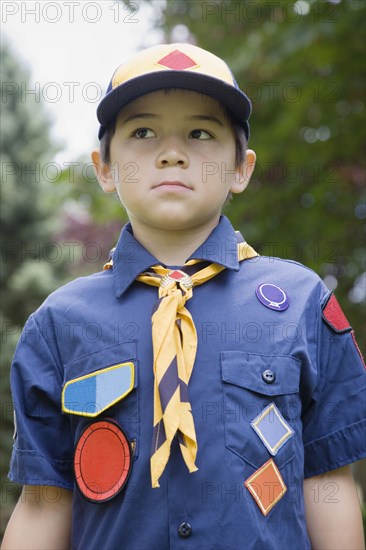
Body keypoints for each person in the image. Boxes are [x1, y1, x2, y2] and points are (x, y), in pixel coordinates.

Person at [2, 43, 365, 550]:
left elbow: (327, 483)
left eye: (201, 132)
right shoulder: (59, 324)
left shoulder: (302, 304)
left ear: (242, 168)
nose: (172, 152)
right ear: (104, 168)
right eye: (142, 132)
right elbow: (44, 504)